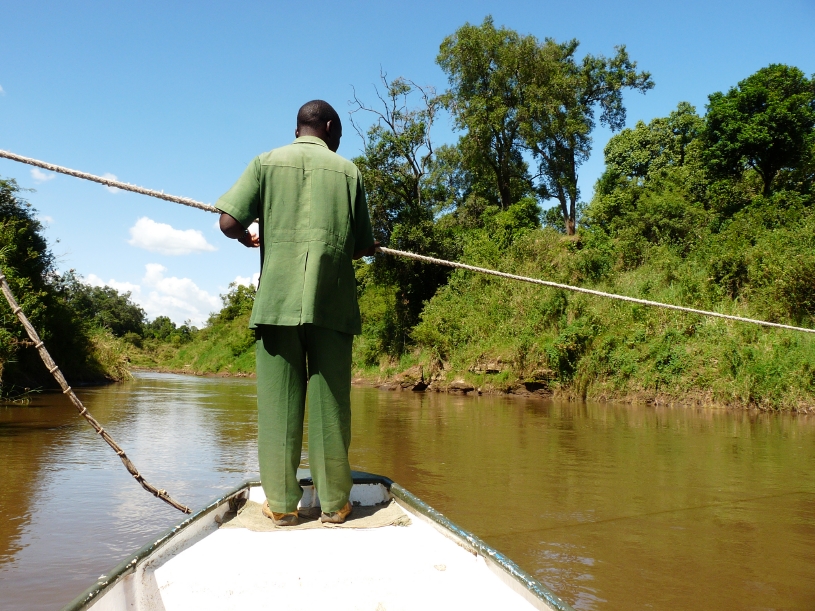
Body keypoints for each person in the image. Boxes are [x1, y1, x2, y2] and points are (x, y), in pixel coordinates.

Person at [216, 100, 377, 526]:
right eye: (338, 134)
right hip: (331, 307)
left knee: (277, 408)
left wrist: (247, 236)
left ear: (298, 129)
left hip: (276, 304)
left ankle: (283, 505)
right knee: (331, 409)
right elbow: (361, 245)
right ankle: (335, 504)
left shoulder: (265, 162)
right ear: (330, 127)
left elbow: (228, 223)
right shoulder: (349, 172)